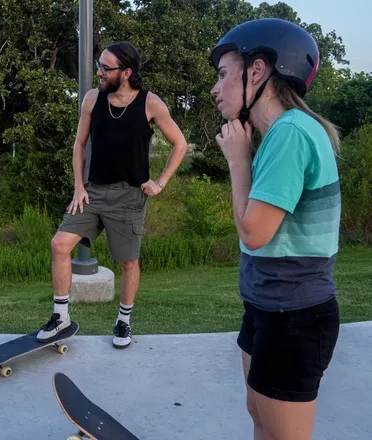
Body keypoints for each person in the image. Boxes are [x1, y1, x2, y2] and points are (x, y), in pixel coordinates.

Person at [210, 18, 341, 439]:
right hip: (269, 308)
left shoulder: (290, 134)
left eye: (223, 74)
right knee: (260, 415)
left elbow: (253, 233)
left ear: (257, 71)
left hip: (294, 317)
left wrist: (236, 161)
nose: (215, 88)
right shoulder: (281, 135)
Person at [36, 41, 188, 348]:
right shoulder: (92, 99)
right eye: (99, 66)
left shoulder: (150, 103)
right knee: (59, 245)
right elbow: (79, 145)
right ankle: (60, 316)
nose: (100, 72)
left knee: (129, 263)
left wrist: (160, 182)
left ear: (127, 72)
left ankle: (123, 321)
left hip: (129, 197)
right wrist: (79, 186)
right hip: (92, 193)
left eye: (106, 68)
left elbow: (180, 144)